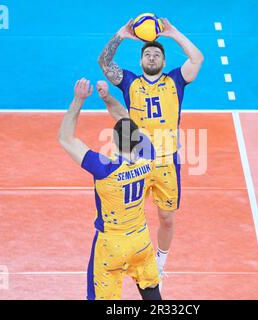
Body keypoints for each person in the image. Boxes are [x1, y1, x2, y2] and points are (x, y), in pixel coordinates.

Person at [97, 18, 204, 284]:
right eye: (148, 53)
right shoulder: (129, 82)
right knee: (128, 214)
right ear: (141, 60)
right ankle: (125, 256)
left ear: (164, 62)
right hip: (136, 160)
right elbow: (105, 63)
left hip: (168, 161)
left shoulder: (176, 80)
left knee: (166, 218)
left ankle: (160, 261)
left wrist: (174, 33)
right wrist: (121, 34)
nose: (152, 56)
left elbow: (197, 59)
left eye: (157, 53)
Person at [58, 78, 161, 300]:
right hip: (141, 240)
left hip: (112, 246)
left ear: (113, 140)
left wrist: (78, 100)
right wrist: (108, 98)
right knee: (151, 292)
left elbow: (65, 139)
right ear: (138, 139)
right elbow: (127, 122)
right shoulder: (148, 155)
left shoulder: (104, 168)